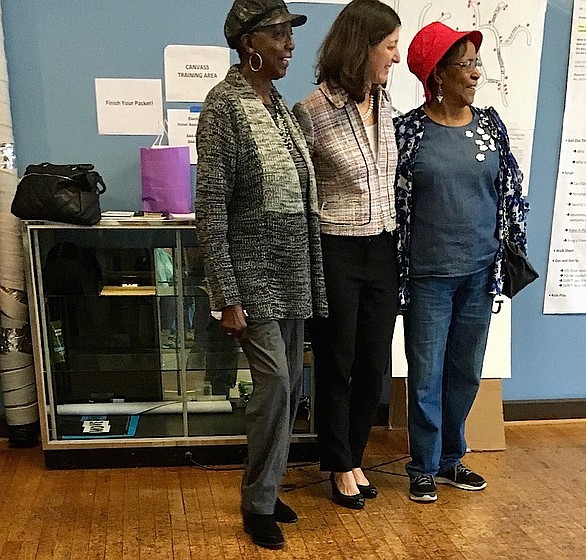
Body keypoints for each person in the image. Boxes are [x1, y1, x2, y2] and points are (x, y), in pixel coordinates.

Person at [195, 0, 327, 549]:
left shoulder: (283, 108)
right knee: (273, 385)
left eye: (290, 32)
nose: (290, 43)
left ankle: (268, 488)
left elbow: (300, 193)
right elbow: (211, 207)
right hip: (251, 278)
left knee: (291, 384)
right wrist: (227, 294)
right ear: (250, 43)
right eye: (279, 33)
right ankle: (256, 502)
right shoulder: (222, 107)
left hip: (291, 270)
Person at [395, 22, 530, 502]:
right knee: (426, 372)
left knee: (467, 371)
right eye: (467, 63)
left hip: (480, 271)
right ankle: (423, 466)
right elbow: (395, 205)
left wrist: (512, 244)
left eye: (477, 62)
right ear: (438, 73)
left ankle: (453, 459)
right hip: (429, 276)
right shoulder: (409, 131)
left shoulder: (490, 124)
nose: (476, 73)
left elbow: (509, 189)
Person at [293, 0, 400, 510]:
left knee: (375, 361)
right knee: (337, 360)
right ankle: (337, 464)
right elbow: (301, 193)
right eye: (390, 47)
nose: (395, 59)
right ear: (362, 48)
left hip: (383, 246)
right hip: (336, 247)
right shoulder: (311, 111)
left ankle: (354, 454)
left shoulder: (387, 104)